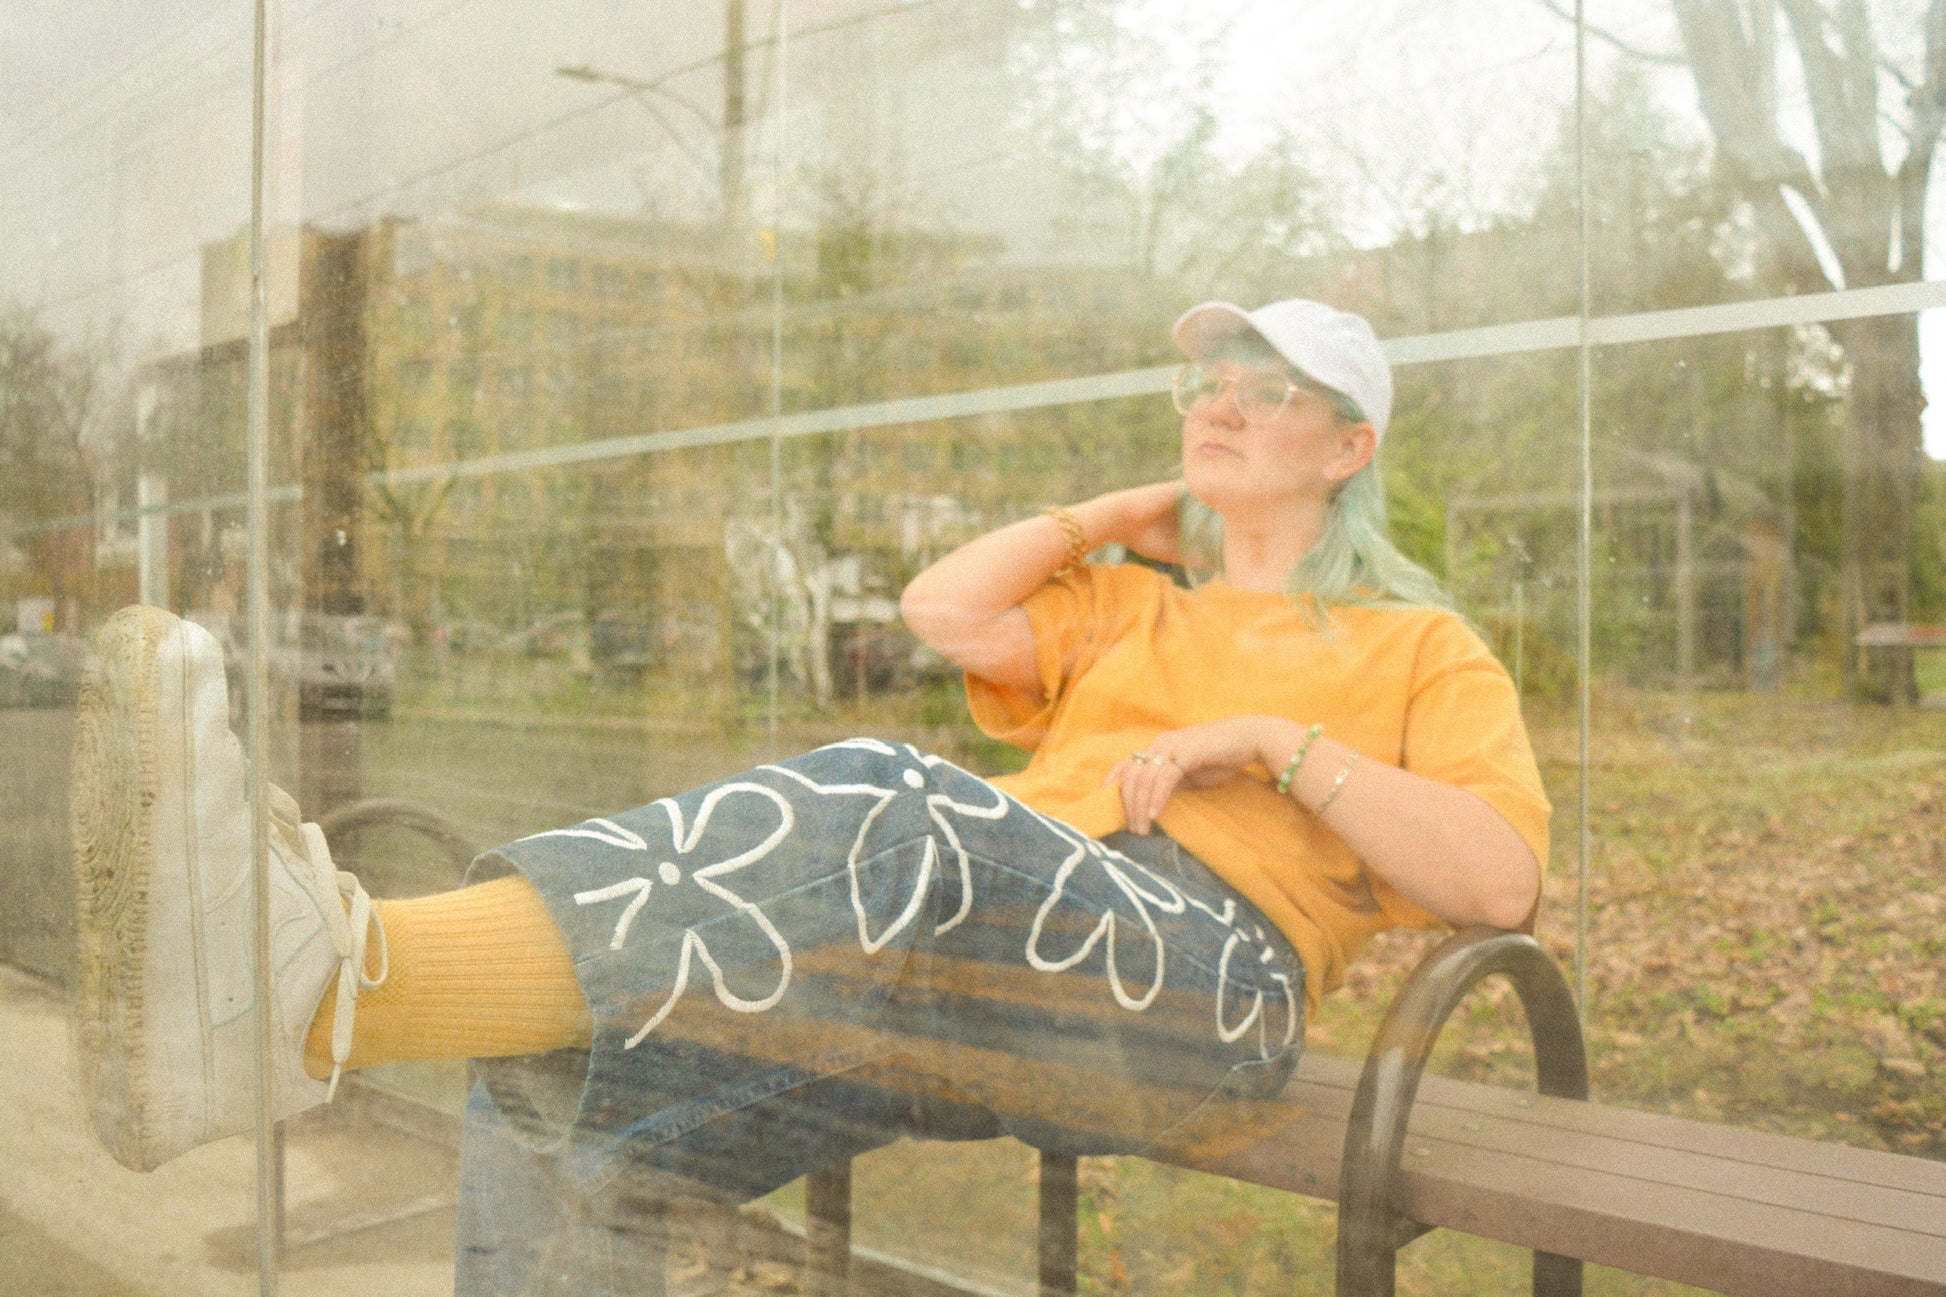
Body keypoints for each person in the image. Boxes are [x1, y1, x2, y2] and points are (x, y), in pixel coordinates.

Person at [69, 299, 1547, 1294]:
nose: (1218, 401)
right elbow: (944, 610)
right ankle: (321, 994)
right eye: (1204, 382)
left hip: (1202, 989)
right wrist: (1112, 514)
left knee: (900, 804)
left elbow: (1497, 885)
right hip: (968, 961)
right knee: (560, 1080)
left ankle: (337, 983)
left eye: (1265, 389)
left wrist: (1274, 738)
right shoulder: (1125, 606)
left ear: (1350, 444)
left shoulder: (1416, 644)